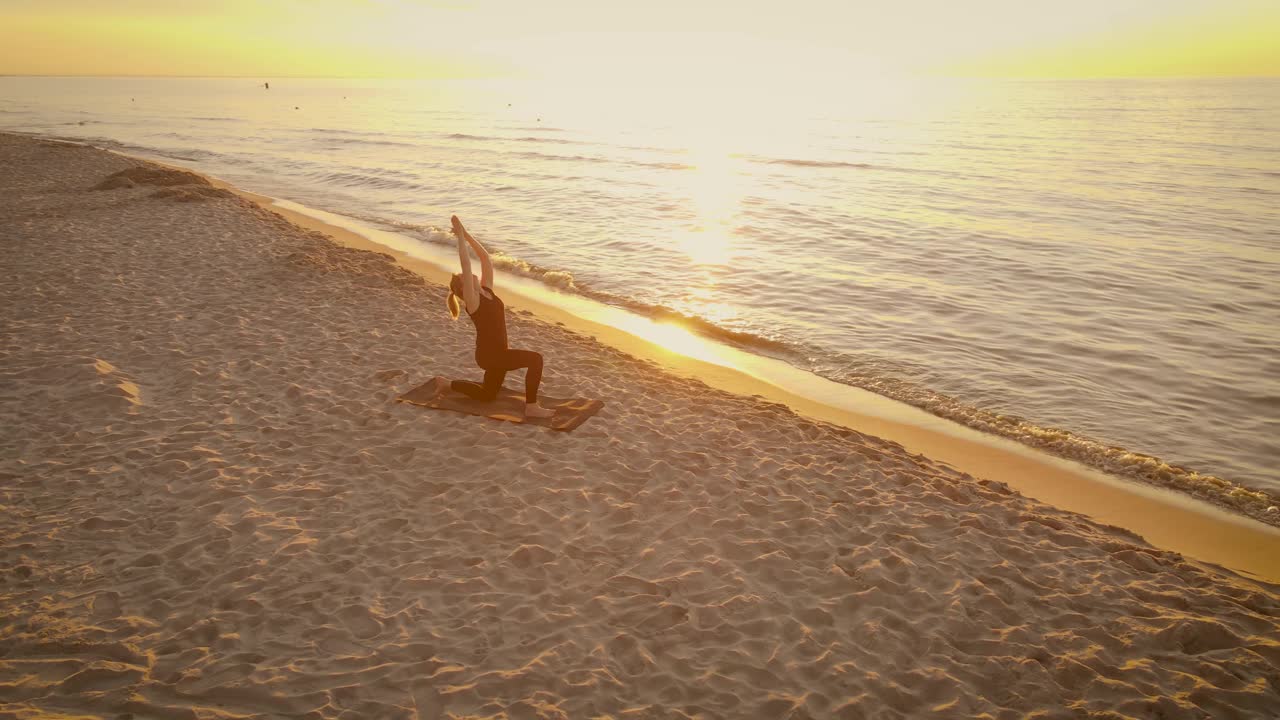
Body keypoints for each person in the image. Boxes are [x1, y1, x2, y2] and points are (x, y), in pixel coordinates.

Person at [446, 215, 556, 418]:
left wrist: (465, 232)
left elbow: (485, 258)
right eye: (464, 277)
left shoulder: (487, 290)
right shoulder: (473, 301)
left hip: (496, 354)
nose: (468, 274)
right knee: (535, 360)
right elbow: (466, 263)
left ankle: (447, 384)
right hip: (491, 357)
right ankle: (531, 407)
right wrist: (459, 237)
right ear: (464, 288)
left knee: (487, 395)